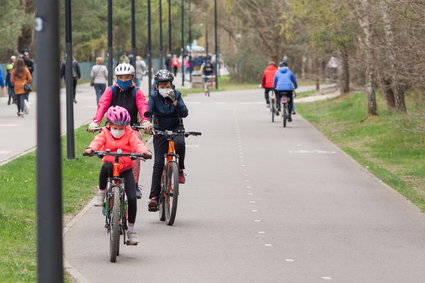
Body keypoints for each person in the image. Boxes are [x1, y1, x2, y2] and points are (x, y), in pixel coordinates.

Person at [85, 106, 152, 244]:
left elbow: (137, 144)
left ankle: (131, 231)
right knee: (105, 167)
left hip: (126, 168)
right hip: (110, 165)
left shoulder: (130, 133)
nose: (118, 130)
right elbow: (97, 141)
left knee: (132, 198)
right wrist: (91, 149)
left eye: (122, 128)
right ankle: (102, 192)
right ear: (109, 125)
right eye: (115, 127)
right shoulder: (104, 132)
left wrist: (144, 151)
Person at [88, 63, 151, 199]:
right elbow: (102, 105)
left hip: (131, 127)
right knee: (105, 149)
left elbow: (142, 106)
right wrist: (96, 122)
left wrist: (145, 121)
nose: (123, 80)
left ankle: (134, 184)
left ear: (132, 77)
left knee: (137, 145)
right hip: (112, 127)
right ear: (116, 77)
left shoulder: (137, 92)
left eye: (127, 77)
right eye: (120, 77)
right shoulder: (110, 90)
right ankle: (104, 185)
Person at [144, 69, 188, 212]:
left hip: (176, 126)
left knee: (180, 144)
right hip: (159, 128)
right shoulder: (154, 97)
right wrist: (147, 122)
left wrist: (175, 102)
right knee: (158, 164)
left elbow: (185, 113)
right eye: (161, 86)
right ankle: (154, 198)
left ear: (171, 85)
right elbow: (149, 111)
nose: (165, 88)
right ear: (156, 87)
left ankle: (180, 169)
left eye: (167, 85)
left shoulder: (177, 95)